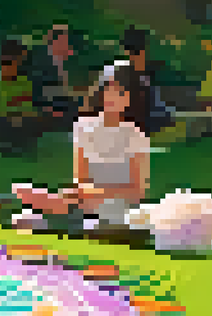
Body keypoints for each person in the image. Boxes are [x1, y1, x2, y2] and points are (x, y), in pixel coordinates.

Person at [12, 62, 152, 231]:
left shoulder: (136, 135)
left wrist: (96, 193)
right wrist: (71, 194)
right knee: (24, 217)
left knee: (85, 217)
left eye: (121, 92)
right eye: (109, 89)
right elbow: (80, 181)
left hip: (118, 210)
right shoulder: (83, 127)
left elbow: (137, 192)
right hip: (85, 206)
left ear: (131, 98)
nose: (113, 97)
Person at [0, 40, 40, 155]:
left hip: (21, 118)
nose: (10, 68)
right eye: (7, 64)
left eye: (14, 64)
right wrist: (15, 106)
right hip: (3, 120)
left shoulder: (24, 81)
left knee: (28, 120)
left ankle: (22, 145)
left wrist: (17, 107)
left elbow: (27, 105)